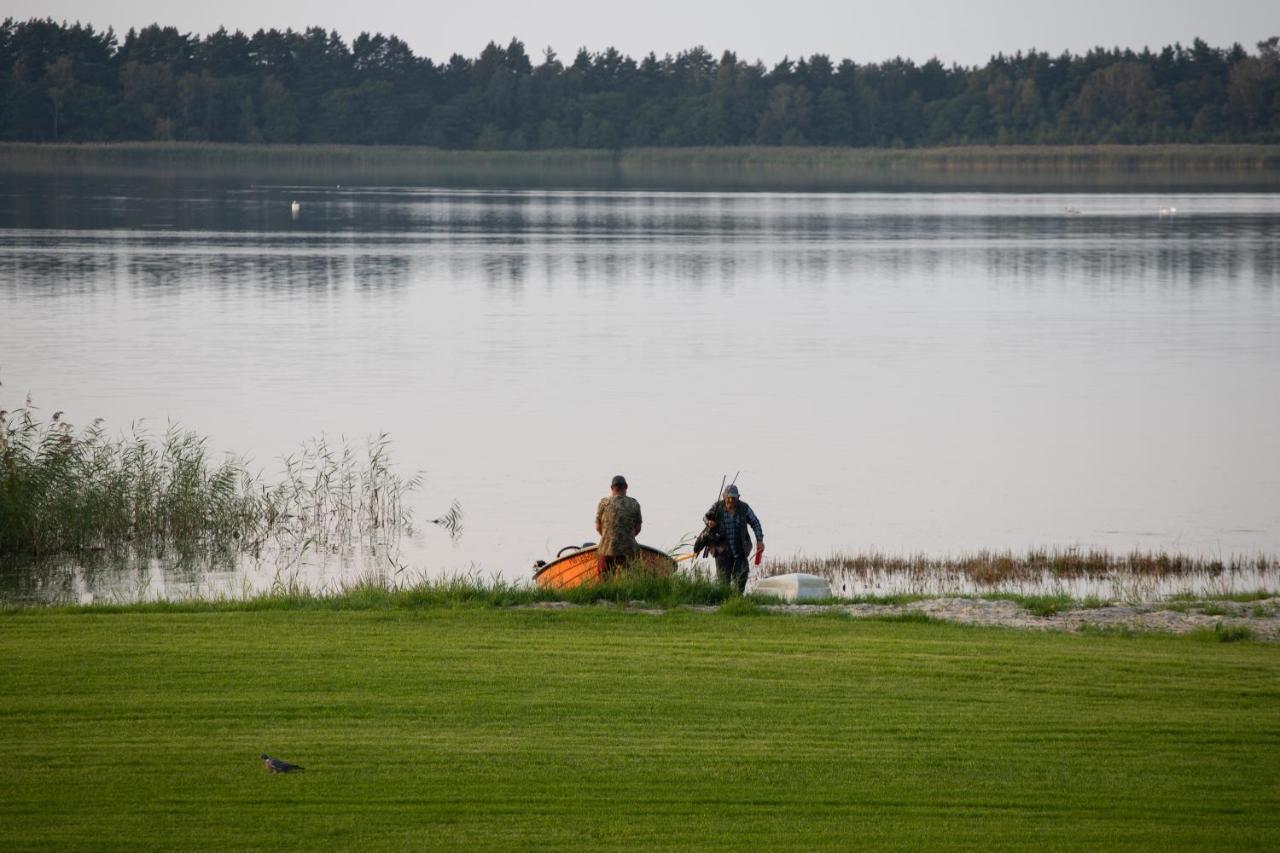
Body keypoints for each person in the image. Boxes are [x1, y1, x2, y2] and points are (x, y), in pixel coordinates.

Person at [704, 484, 763, 593]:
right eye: (728, 498)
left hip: (740, 550)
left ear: (738, 497)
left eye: (733, 498)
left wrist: (759, 540)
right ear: (724, 496)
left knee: (742, 576)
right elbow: (706, 517)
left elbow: (755, 522)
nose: (731, 500)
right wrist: (709, 522)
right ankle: (724, 602)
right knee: (723, 583)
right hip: (721, 551)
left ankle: (738, 599)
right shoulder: (717, 507)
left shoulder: (744, 508)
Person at [595, 474, 642, 578]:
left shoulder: (603, 503)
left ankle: (604, 590)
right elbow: (638, 528)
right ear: (626, 486)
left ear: (612, 488)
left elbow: (598, 526)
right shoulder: (634, 504)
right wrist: (627, 537)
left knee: (604, 579)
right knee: (630, 578)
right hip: (628, 548)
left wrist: (608, 536)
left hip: (607, 548)